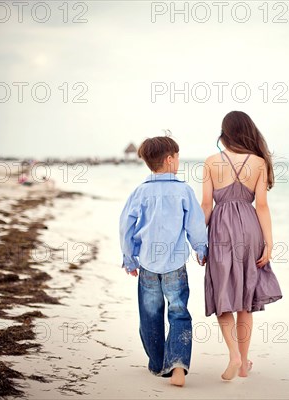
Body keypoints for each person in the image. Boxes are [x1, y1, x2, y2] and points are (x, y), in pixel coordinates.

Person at [119, 136, 208, 387]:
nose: (179, 161)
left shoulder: (140, 192)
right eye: (177, 157)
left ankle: (158, 365)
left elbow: (126, 226)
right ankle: (178, 365)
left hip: (147, 265)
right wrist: (201, 249)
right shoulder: (183, 190)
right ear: (170, 160)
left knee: (150, 316)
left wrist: (129, 258)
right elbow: (196, 225)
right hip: (175, 267)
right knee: (179, 314)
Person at [201, 111, 283, 380]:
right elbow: (261, 206)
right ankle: (244, 362)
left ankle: (234, 356)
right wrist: (269, 243)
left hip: (222, 229)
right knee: (245, 300)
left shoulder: (211, 162)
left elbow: (206, 206)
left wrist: (200, 241)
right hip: (250, 230)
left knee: (222, 294)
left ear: (225, 133)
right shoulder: (259, 163)